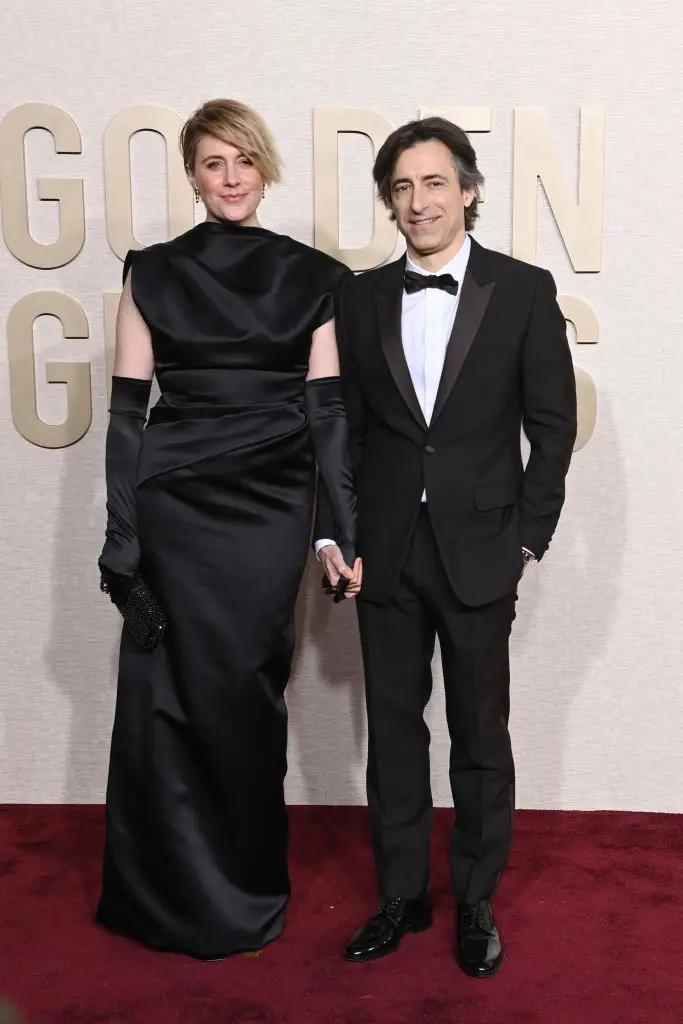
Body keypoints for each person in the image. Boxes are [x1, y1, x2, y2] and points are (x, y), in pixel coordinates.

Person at [96, 98, 360, 960]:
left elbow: (329, 417)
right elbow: (128, 414)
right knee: (163, 696)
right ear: (193, 176)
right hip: (174, 505)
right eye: (213, 162)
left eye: (243, 159)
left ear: (265, 165)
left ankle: (240, 886)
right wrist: (122, 534)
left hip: (269, 508)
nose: (231, 176)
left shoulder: (317, 275)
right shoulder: (152, 270)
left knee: (246, 693)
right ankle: (163, 895)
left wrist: (337, 530)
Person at [316, 117, 577, 976]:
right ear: (390, 203)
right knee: (394, 736)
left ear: (466, 190)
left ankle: (474, 901)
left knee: (478, 735)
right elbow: (340, 428)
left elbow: (551, 422)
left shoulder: (524, 289)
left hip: (480, 552)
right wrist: (336, 533)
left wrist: (526, 542)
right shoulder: (356, 299)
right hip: (383, 554)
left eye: (432, 183)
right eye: (401, 187)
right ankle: (399, 896)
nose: (417, 201)